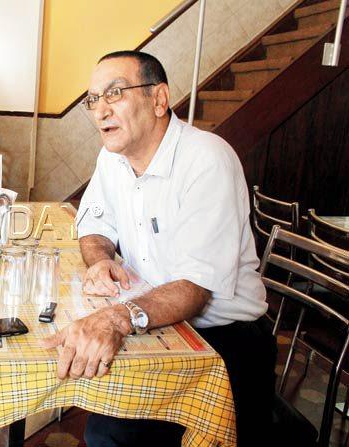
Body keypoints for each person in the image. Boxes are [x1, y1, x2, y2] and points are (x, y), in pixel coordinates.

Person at [42, 51, 276, 447]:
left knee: (110, 431)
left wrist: (116, 320)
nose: (100, 111)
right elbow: (95, 226)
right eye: (93, 100)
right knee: (96, 402)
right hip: (157, 321)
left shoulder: (207, 161)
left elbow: (195, 289)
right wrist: (100, 261)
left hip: (223, 340)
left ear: (159, 99)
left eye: (114, 93)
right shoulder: (112, 158)